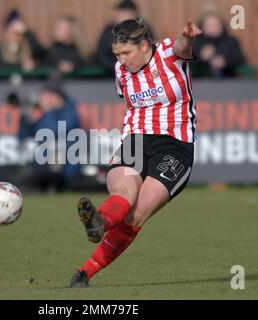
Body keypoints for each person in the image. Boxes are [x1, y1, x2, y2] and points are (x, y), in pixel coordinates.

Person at [69, 18, 201, 287]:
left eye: (126, 53)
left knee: (136, 213)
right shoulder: (121, 71)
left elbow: (183, 48)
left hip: (174, 147)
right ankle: (99, 222)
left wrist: (188, 37)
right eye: (117, 55)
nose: (122, 60)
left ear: (144, 45)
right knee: (123, 194)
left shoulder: (166, 52)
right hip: (136, 141)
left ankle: (86, 271)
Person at [30, 81, 81, 191]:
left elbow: (56, 130)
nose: (47, 99)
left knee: (56, 148)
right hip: (45, 163)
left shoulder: (70, 110)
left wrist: (47, 112)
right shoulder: (46, 113)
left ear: (58, 96)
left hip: (66, 164)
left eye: (50, 95)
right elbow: (33, 135)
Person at [96, 0, 155, 74]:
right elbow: (101, 56)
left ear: (134, 14)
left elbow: (150, 51)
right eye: (120, 13)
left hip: (141, 72)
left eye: (125, 13)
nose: (121, 16)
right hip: (111, 74)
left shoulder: (143, 29)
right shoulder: (109, 30)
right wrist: (119, 68)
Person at [192, 8, 246, 78]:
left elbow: (242, 62)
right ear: (202, 27)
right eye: (209, 26)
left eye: (216, 25)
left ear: (222, 26)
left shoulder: (231, 42)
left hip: (228, 82)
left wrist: (225, 62)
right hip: (201, 83)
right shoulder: (195, 43)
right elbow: (185, 65)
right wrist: (200, 57)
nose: (213, 29)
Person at [0, 10, 36, 75]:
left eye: (19, 33)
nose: (16, 37)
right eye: (13, 33)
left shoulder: (26, 46)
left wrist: (27, 31)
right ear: (6, 32)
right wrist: (21, 66)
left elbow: (40, 52)